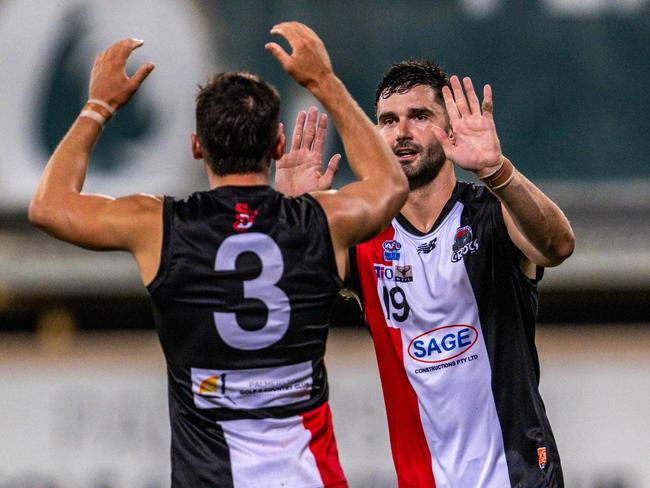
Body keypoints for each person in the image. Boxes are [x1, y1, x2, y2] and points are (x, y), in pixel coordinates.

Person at [29, 23, 408, 488]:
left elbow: (49, 206)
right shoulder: (320, 221)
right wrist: (322, 82)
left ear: (196, 147)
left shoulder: (159, 226)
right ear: (276, 147)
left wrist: (98, 106)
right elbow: (390, 184)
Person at [276, 59, 575, 487]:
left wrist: (497, 171)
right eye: (388, 121)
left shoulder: (492, 213)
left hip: (520, 476)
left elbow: (558, 245)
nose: (401, 133)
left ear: (449, 130)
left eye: (419, 117)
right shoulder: (365, 233)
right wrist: (293, 222)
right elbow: (289, 297)